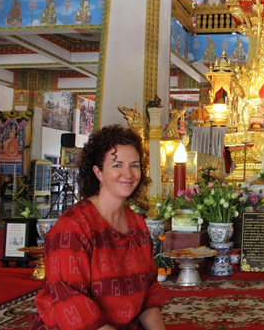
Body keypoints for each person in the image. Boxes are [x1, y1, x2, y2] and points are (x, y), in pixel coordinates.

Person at [29, 125, 166, 329]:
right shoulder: (73, 227)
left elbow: (149, 295)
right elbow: (73, 305)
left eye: (134, 165)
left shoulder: (137, 224)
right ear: (98, 172)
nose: (127, 174)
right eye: (117, 165)